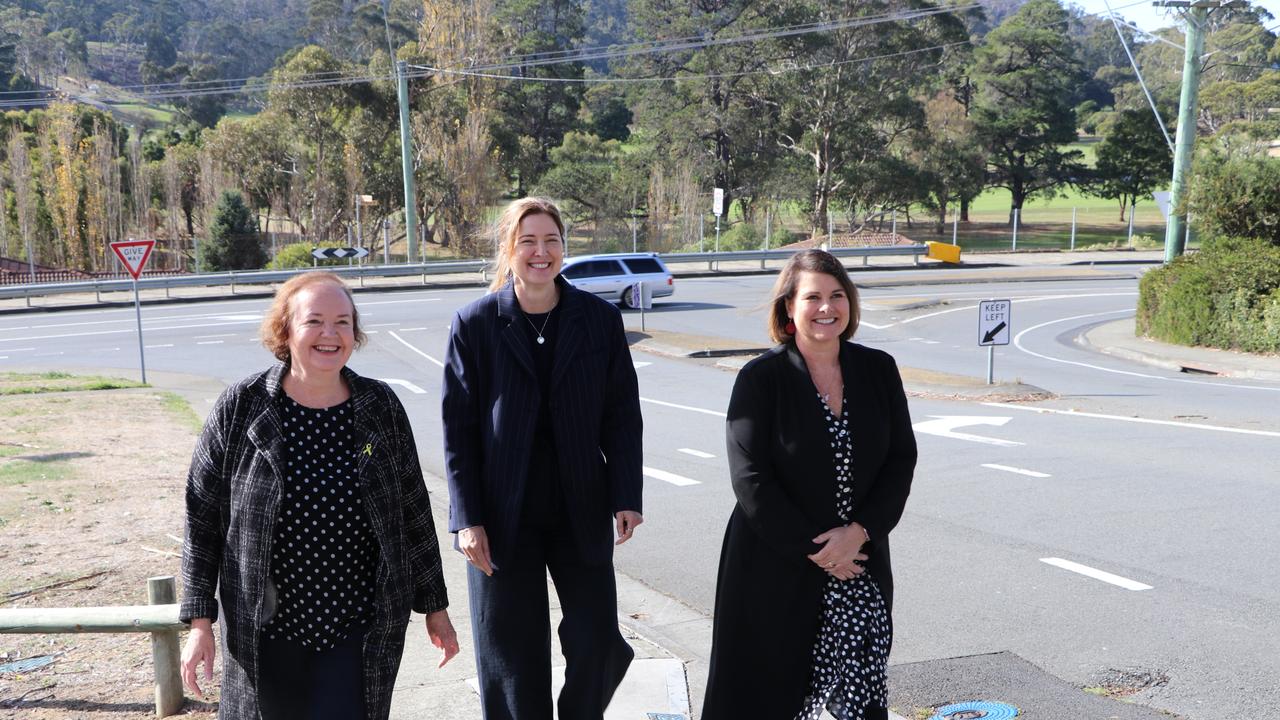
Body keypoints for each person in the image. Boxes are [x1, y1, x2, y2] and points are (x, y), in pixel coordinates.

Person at [178, 271, 459, 720]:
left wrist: (435, 608)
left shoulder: (379, 406)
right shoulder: (243, 406)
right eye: (315, 321)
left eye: (343, 322)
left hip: (357, 630)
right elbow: (201, 516)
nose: (330, 334)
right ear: (285, 331)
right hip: (265, 630)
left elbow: (413, 512)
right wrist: (199, 622)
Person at [442, 197, 644, 720]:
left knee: (598, 640)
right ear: (509, 250)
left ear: (563, 248)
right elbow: (458, 432)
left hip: (580, 505)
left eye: (551, 240)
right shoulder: (476, 323)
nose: (541, 251)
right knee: (510, 655)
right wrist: (467, 520)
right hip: (501, 515)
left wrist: (626, 494)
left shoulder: (598, 320)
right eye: (528, 241)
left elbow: (621, 414)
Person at [702, 249, 917, 720]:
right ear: (788, 309)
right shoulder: (761, 379)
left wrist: (858, 533)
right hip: (775, 563)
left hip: (859, 561)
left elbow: (901, 460)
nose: (827, 308)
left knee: (859, 695)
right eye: (813, 297)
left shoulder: (878, 369)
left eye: (837, 296)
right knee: (769, 695)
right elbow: (750, 479)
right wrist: (821, 550)